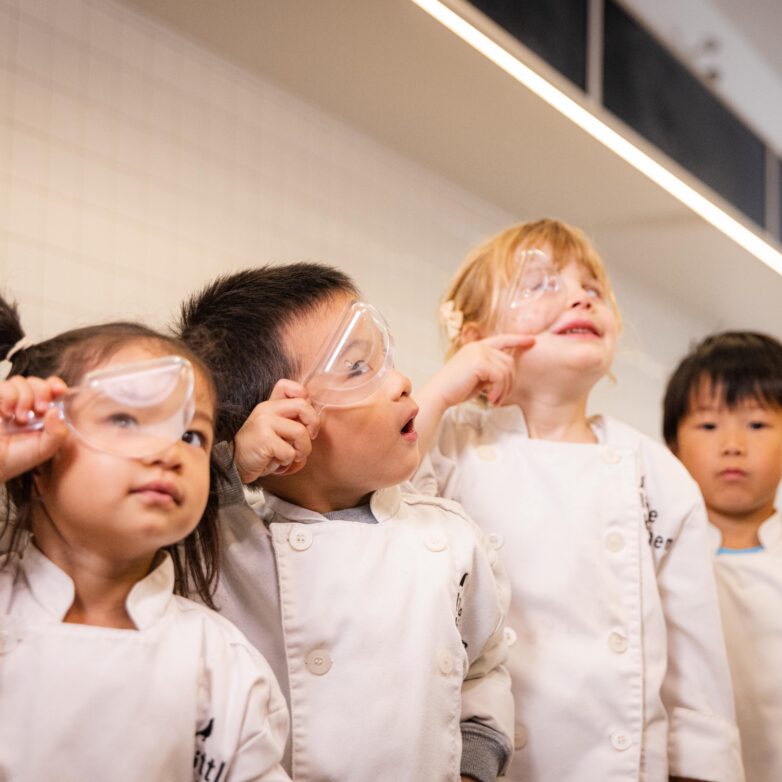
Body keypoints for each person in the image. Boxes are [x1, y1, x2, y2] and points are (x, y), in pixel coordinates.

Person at [412, 219, 743, 782]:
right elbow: (370, 492)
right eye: (540, 284)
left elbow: (697, 673)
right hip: (474, 759)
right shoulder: (447, 443)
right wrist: (442, 389)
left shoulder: (655, 474)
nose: (579, 298)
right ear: (473, 337)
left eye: (592, 288)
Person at [176, 263, 515, 782]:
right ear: (283, 419)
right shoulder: (222, 539)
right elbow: (146, 535)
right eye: (358, 369)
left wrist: (474, 766)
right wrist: (229, 461)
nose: (401, 382)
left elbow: (483, 669)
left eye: (387, 360)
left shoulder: (448, 539)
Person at [0, 297, 290, 782]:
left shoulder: (221, 662)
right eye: (126, 420)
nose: (168, 452)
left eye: (192, 436)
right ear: (38, 458)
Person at [663, 331, 782, 782]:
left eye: (757, 424)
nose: (733, 444)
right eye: (709, 426)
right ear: (673, 447)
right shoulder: (654, 563)